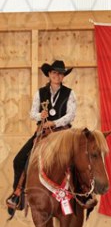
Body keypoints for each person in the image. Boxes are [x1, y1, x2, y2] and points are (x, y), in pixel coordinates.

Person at [6, 60, 76, 214]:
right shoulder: (40, 93)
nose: (57, 76)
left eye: (60, 73)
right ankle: (18, 194)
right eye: (54, 73)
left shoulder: (70, 93)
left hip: (62, 132)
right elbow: (32, 113)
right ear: (49, 74)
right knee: (19, 160)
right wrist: (40, 115)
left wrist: (54, 122)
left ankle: (84, 195)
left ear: (63, 76)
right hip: (43, 132)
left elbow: (71, 115)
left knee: (79, 159)